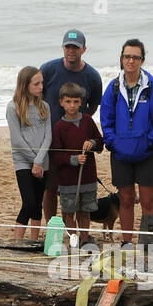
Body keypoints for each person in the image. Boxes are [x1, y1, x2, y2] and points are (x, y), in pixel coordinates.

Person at [99, 39, 153, 245]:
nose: (131, 61)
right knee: (126, 200)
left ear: (142, 60)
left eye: (135, 57)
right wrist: (114, 143)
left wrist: (148, 144)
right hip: (121, 155)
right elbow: (106, 120)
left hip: (148, 154)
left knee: (148, 202)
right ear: (121, 59)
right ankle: (128, 242)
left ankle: (149, 243)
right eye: (127, 56)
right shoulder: (113, 87)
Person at [40, 30, 104, 221]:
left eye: (75, 47)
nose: (71, 50)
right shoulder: (48, 69)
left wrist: (76, 124)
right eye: (68, 46)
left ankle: (78, 234)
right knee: (50, 188)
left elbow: (92, 105)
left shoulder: (92, 76)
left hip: (78, 140)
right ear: (63, 47)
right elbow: (36, 96)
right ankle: (52, 227)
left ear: (84, 49)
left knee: (77, 188)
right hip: (51, 138)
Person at [50, 82, 103, 246]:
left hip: (87, 176)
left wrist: (92, 143)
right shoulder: (59, 127)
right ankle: (73, 241)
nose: (72, 105)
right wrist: (73, 160)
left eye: (75, 101)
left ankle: (85, 240)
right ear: (61, 102)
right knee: (69, 212)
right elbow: (56, 155)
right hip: (68, 180)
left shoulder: (87, 120)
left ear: (81, 102)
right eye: (68, 101)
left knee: (85, 211)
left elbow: (100, 142)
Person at [6, 66, 52, 242]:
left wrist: (39, 161)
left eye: (42, 83)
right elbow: (17, 140)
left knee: (37, 203)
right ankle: (18, 241)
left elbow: (48, 136)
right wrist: (35, 162)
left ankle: (33, 241)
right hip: (23, 162)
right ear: (25, 85)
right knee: (28, 202)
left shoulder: (44, 106)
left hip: (42, 161)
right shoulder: (13, 107)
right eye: (36, 83)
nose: (41, 86)